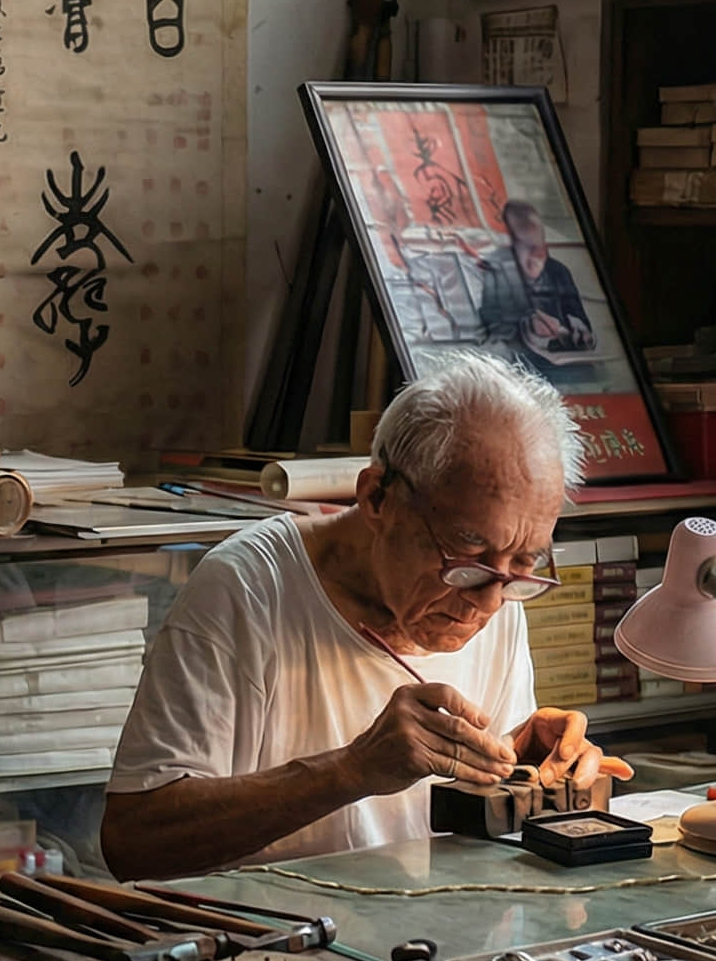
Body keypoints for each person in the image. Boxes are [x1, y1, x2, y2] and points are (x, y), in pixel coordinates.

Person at [100, 355, 632, 879]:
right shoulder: (248, 589)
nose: (489, 603)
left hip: (427, 935)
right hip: (277, 948)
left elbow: (473, 827)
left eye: (522, 565)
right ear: (377, 497)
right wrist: (352, 770)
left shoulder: (492, 587)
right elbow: (134, 842)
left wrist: (521, 765)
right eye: (466, 553)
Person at [480, 200, 594, 353]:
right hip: (516, 354)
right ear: (511, 247)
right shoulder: (494, 268)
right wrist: (528, 326)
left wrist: (579, 329)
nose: (533, 257)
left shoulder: (559, 272)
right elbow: (490, 321)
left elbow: (579, 317)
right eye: (525, 247)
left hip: (562, 355)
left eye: (538, 249)